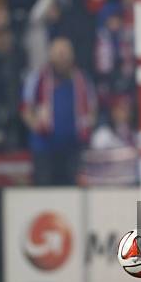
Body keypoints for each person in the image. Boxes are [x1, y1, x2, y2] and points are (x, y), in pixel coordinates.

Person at [21, 37, 97, 186]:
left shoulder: (81, 79)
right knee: (45, 187)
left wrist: (87, 126)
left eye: (65, 53)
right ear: (51, 55)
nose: (62, 57)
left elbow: (92, 107)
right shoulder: (38, 77)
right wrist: (36, 126)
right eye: (58, 53)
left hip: (73, 146)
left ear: (72, 55)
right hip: (44, 146)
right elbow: (25, 107)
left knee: (70, 188)